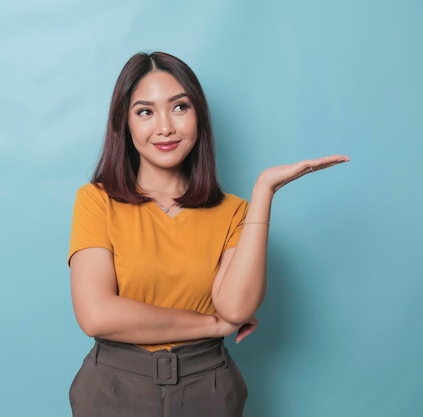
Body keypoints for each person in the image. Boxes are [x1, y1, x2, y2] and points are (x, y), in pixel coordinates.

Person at [67, 51, 349, 417]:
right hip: (114, 388)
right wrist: (212, 324)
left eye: (179, 107)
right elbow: (96, 314)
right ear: (125, 123)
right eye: (145, 111)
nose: (165, 127)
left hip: (207, 387)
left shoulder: (232, 212)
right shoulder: (96, 201)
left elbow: (237, 307)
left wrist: (264, 190)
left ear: (199, 115)